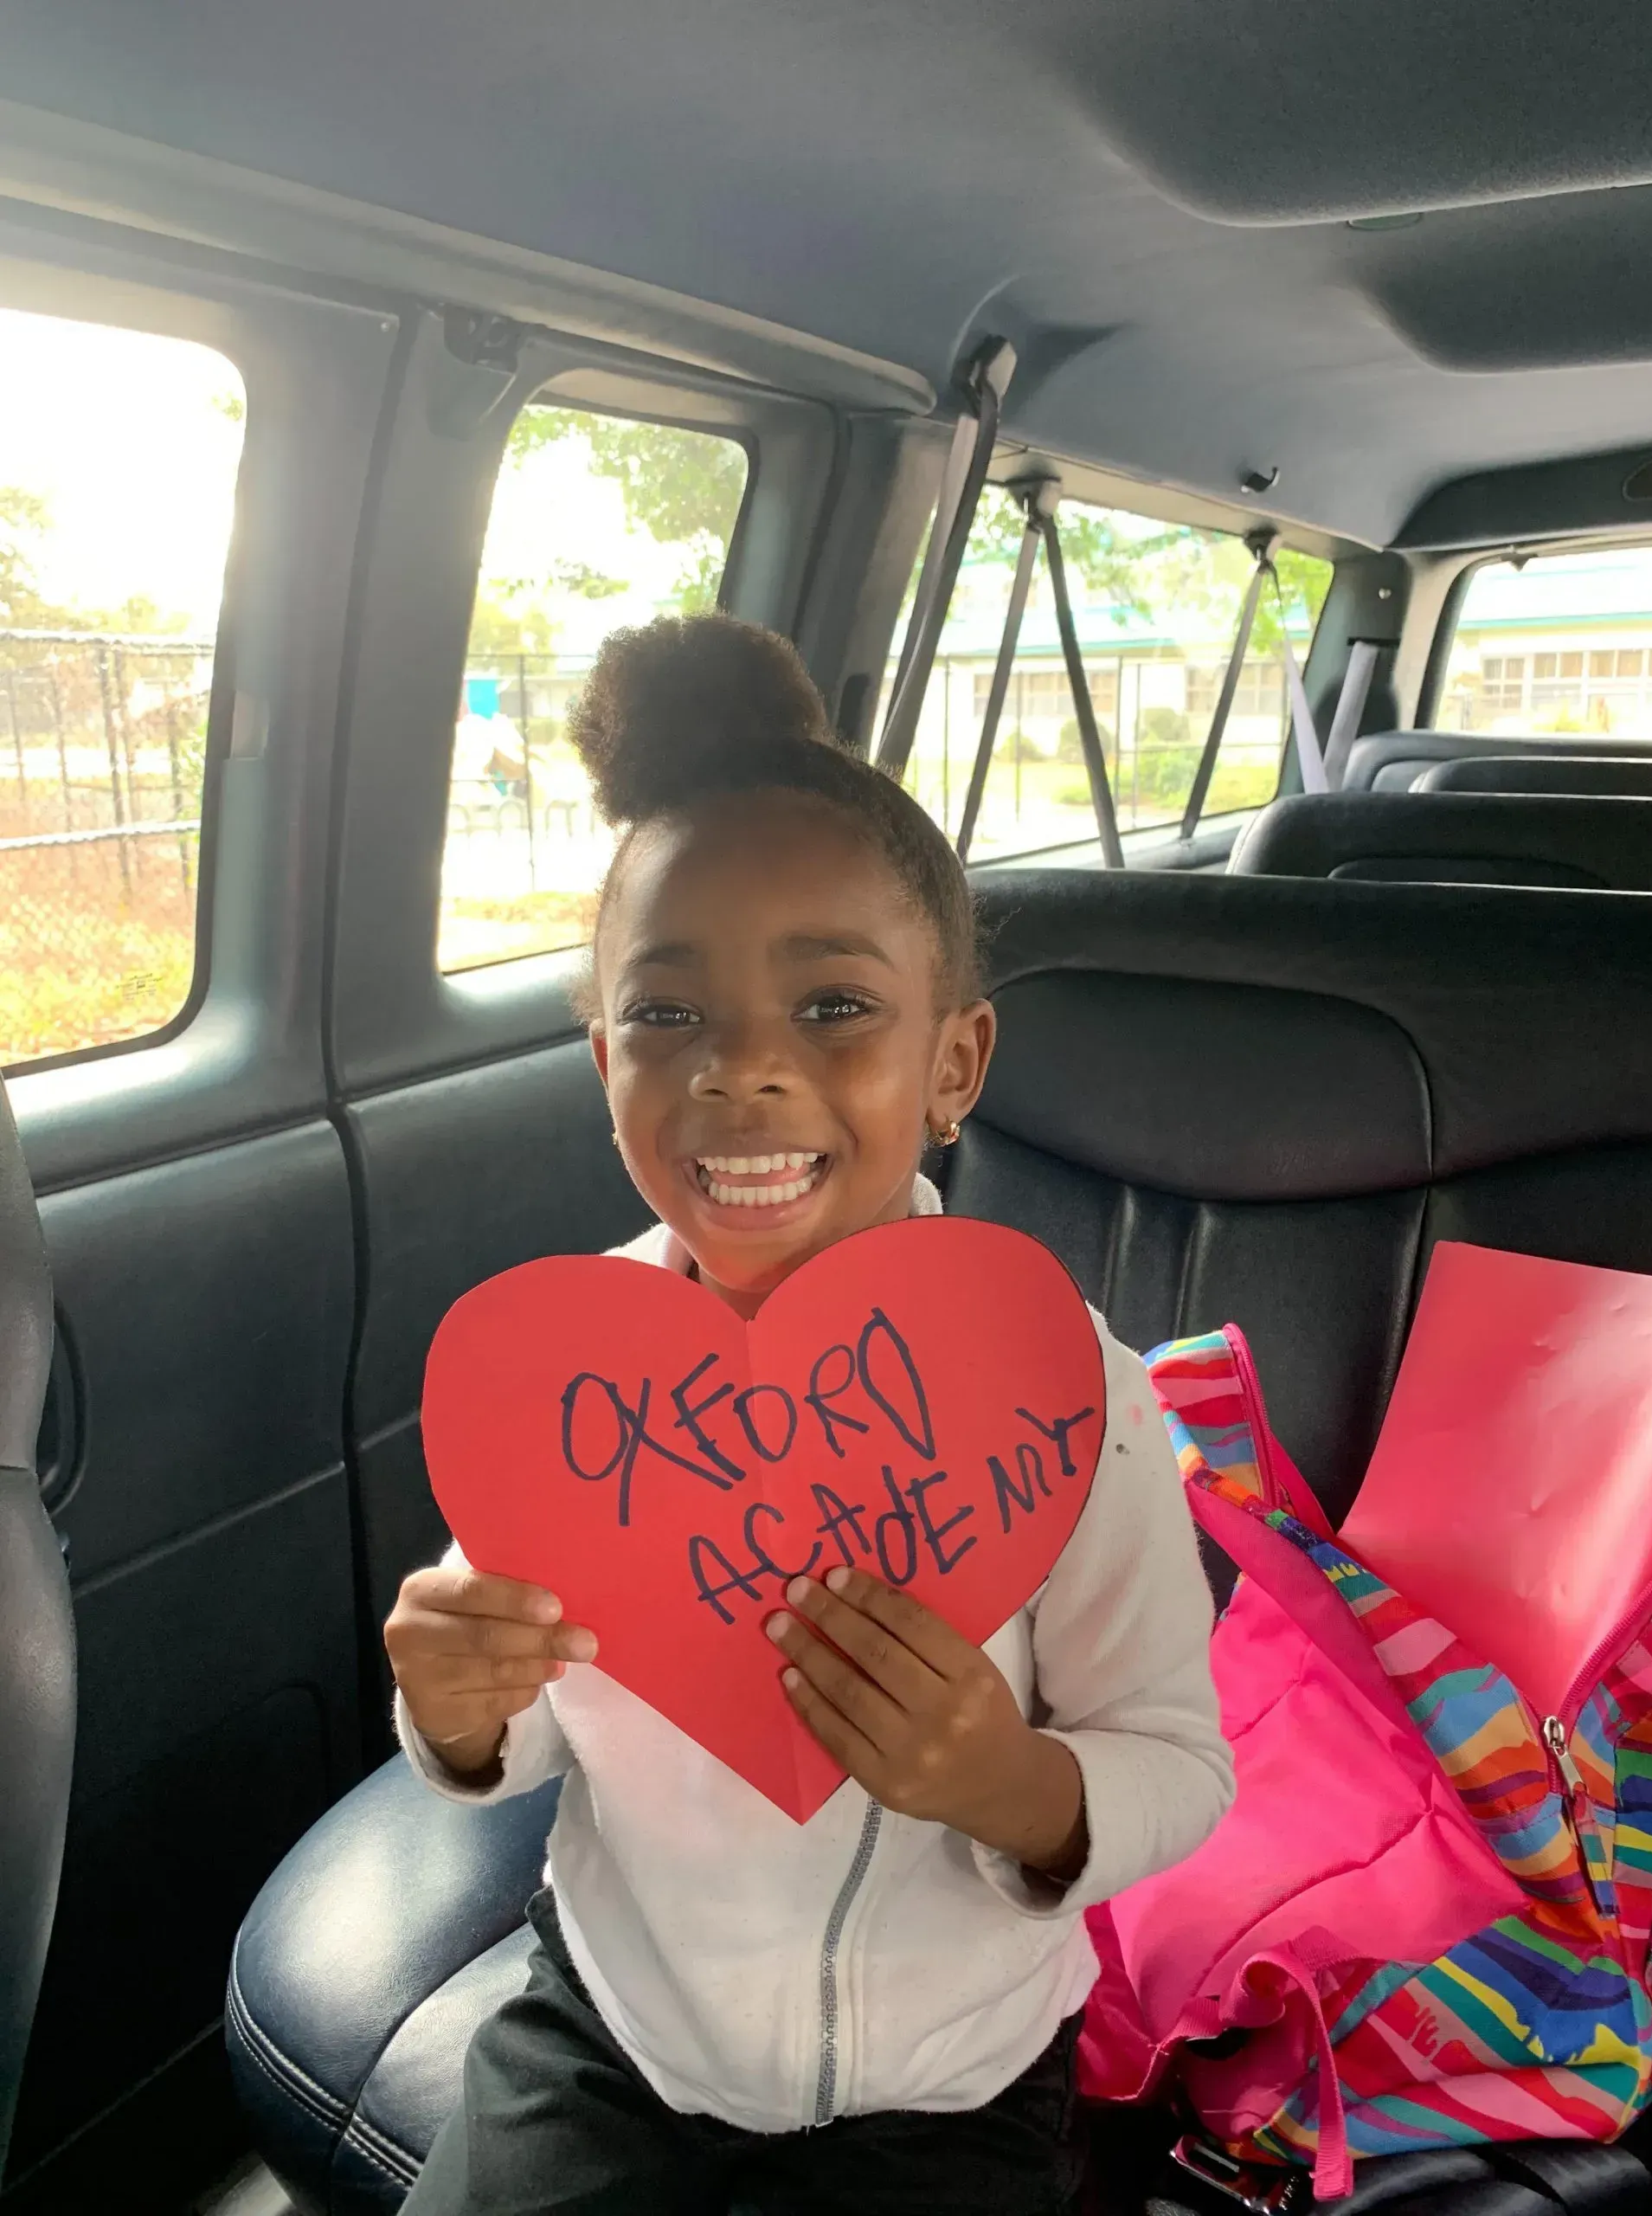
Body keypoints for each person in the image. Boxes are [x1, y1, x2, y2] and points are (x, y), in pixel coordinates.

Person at [385, 615, 1231, 2216]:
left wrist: (1006, 1783)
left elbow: (1179, 1760)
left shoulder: (1070, 1391)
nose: (745, 1072)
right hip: (615, 2041)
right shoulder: (572, 1382)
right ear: (599, 1057)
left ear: (956, 1059)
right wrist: (457, 1706)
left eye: (835, 1008)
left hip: (957, 2085)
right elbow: (533, 1715)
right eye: (670, 1015)